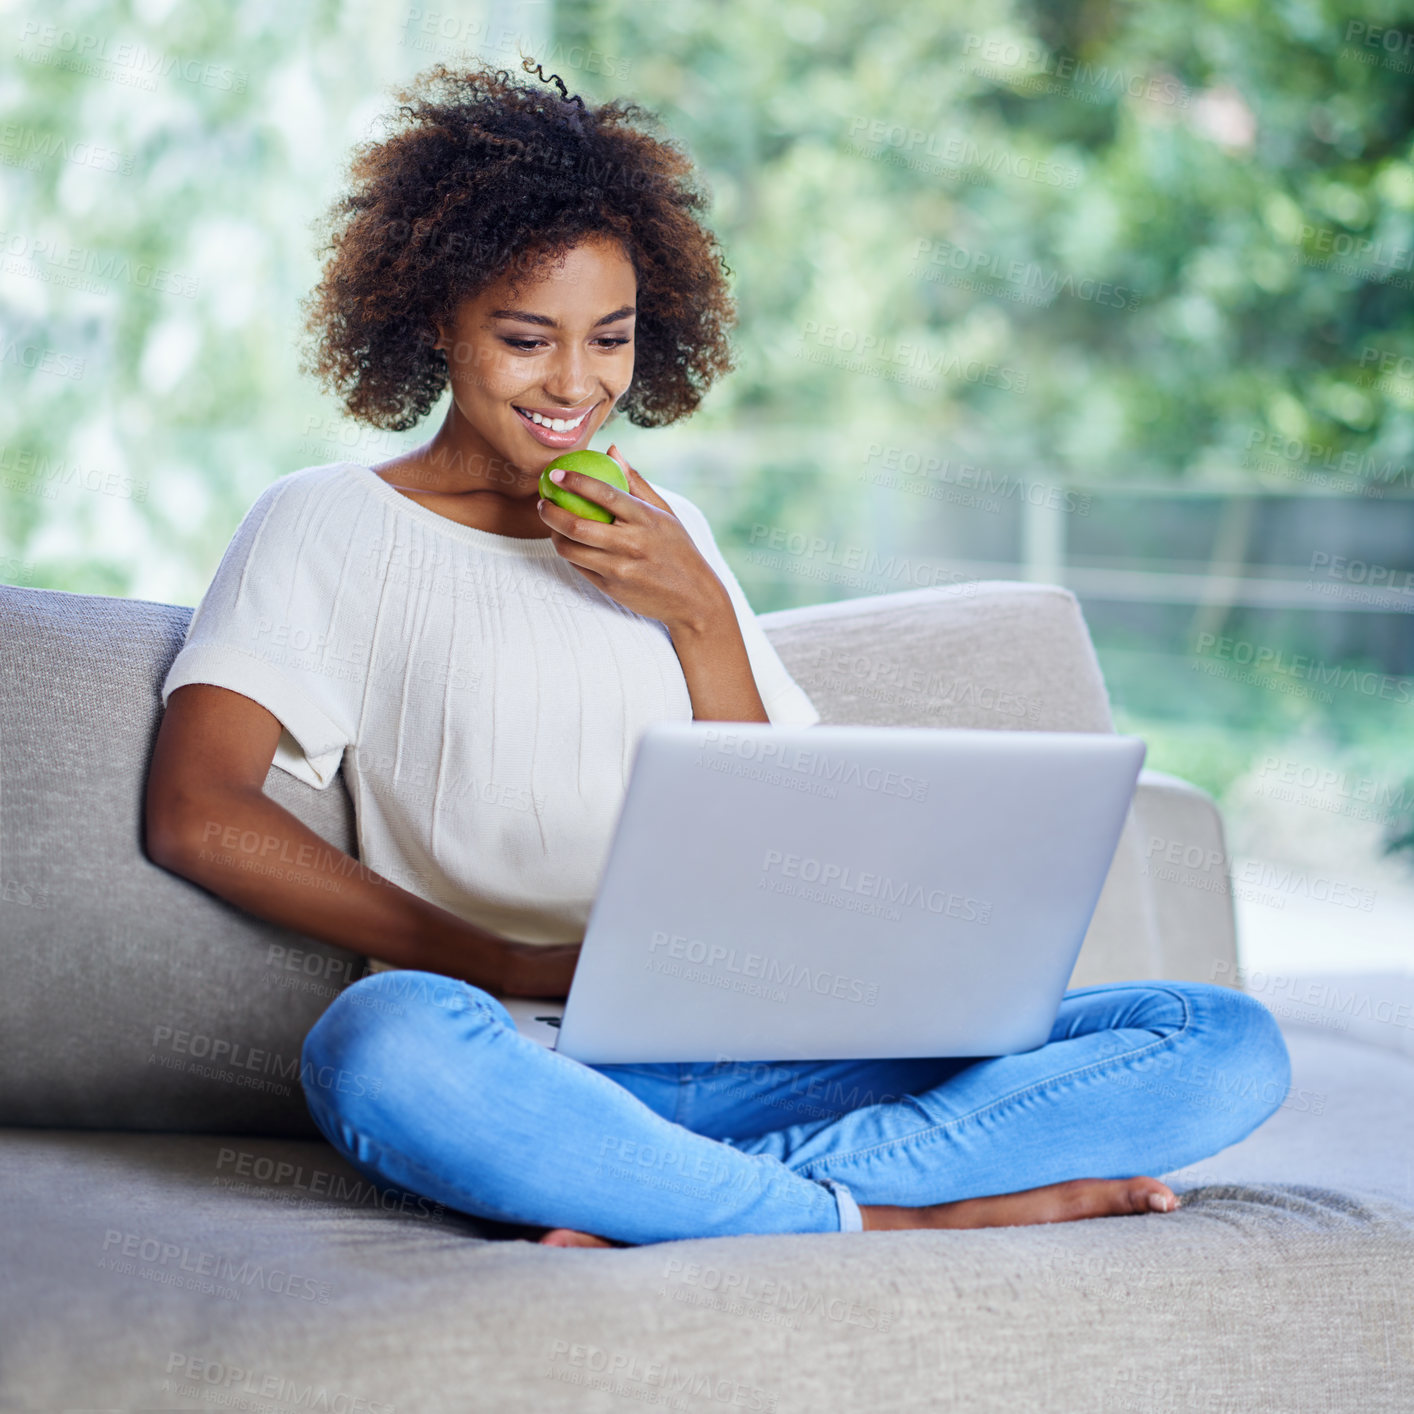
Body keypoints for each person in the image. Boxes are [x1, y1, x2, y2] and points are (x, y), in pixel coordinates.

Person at [145, 58, 1292, 1249]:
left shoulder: (668, 533)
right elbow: (197, 809)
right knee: (376, 1048)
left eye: (610, 339)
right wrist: (511, 961)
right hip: (534, 1056)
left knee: (1219, 1042)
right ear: (437, 317)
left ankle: (677, 1193)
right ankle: (885, 1210)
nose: (575, 385)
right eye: (527, 339)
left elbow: (779, 829)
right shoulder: (326, 523)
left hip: (770, 1046)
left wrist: (696, 616)